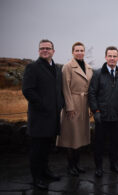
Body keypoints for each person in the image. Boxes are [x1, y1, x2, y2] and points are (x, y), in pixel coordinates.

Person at [22, 39, 64, 190]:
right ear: (38, 51)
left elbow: (58, 90)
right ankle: (36, 178)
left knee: (47, 147)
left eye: (48, 48)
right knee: (37, 149)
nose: (45, 50)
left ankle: (45, 172)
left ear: (53, 50)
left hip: (53, 116)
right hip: (39, 116)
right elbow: (28, 90)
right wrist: (43, 106)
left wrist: (60, 105)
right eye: (42, 48)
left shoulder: (57, 68)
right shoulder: (32, 67)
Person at [88, 46, 118, 177]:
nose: (112, 58)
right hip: (102, 116)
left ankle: (114, 165)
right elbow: (92, 93)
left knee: (115, 143)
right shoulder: (98, 74)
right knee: (99, 144)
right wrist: (96, 111)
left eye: (114, 56)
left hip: (116, 116)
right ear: (105, 57)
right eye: (109, 56)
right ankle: (98, 167)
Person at [56, 42, 93, 176]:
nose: (79, 52)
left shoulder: (88, 68)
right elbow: (65, 88)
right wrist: (69, 107)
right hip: (72, 104)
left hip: (84, 105)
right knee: (72, 137)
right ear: (72, 52)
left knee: (80, 137)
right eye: (76, 50)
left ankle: (77, 164)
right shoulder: (67, 67)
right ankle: (70, 166)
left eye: (81, 50)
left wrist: (90, 107)